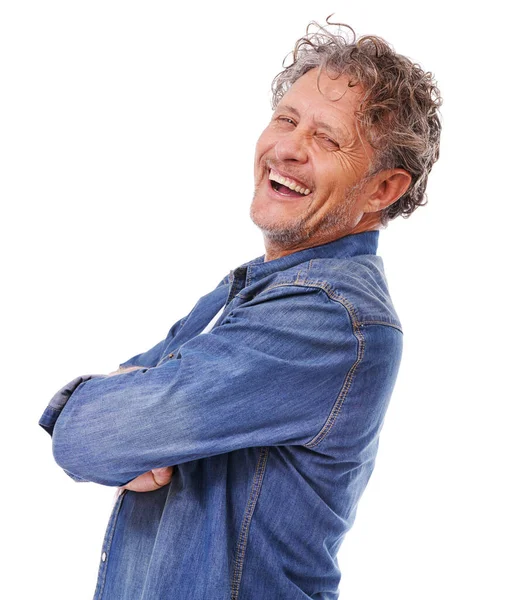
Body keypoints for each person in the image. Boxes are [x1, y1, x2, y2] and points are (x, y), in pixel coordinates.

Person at [39, 19, 441, 600]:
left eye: (327, 140)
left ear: (382, 190)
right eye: (285, 119)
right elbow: (110, 430)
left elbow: (91, 435)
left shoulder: (327, 315)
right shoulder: (255, 287)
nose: (288, 148)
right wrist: (130, 416)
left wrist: (125, 416)